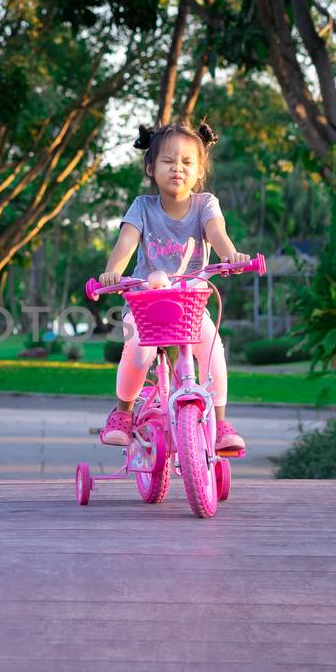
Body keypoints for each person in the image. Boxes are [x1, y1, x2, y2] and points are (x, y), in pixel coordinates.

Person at [97, 119, 250, 454]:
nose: (177, 169)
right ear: (151, 168)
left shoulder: (206, 204)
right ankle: (123, 413)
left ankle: (221, 422)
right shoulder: (142, 207)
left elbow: (217, 233)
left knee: (211, 349)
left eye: (186, 162)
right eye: (167, 161)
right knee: (139, 352)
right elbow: (125, 245)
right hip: (144, 303)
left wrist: (229, 256)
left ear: (199, 171)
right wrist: (112, 273)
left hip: (189, 304)